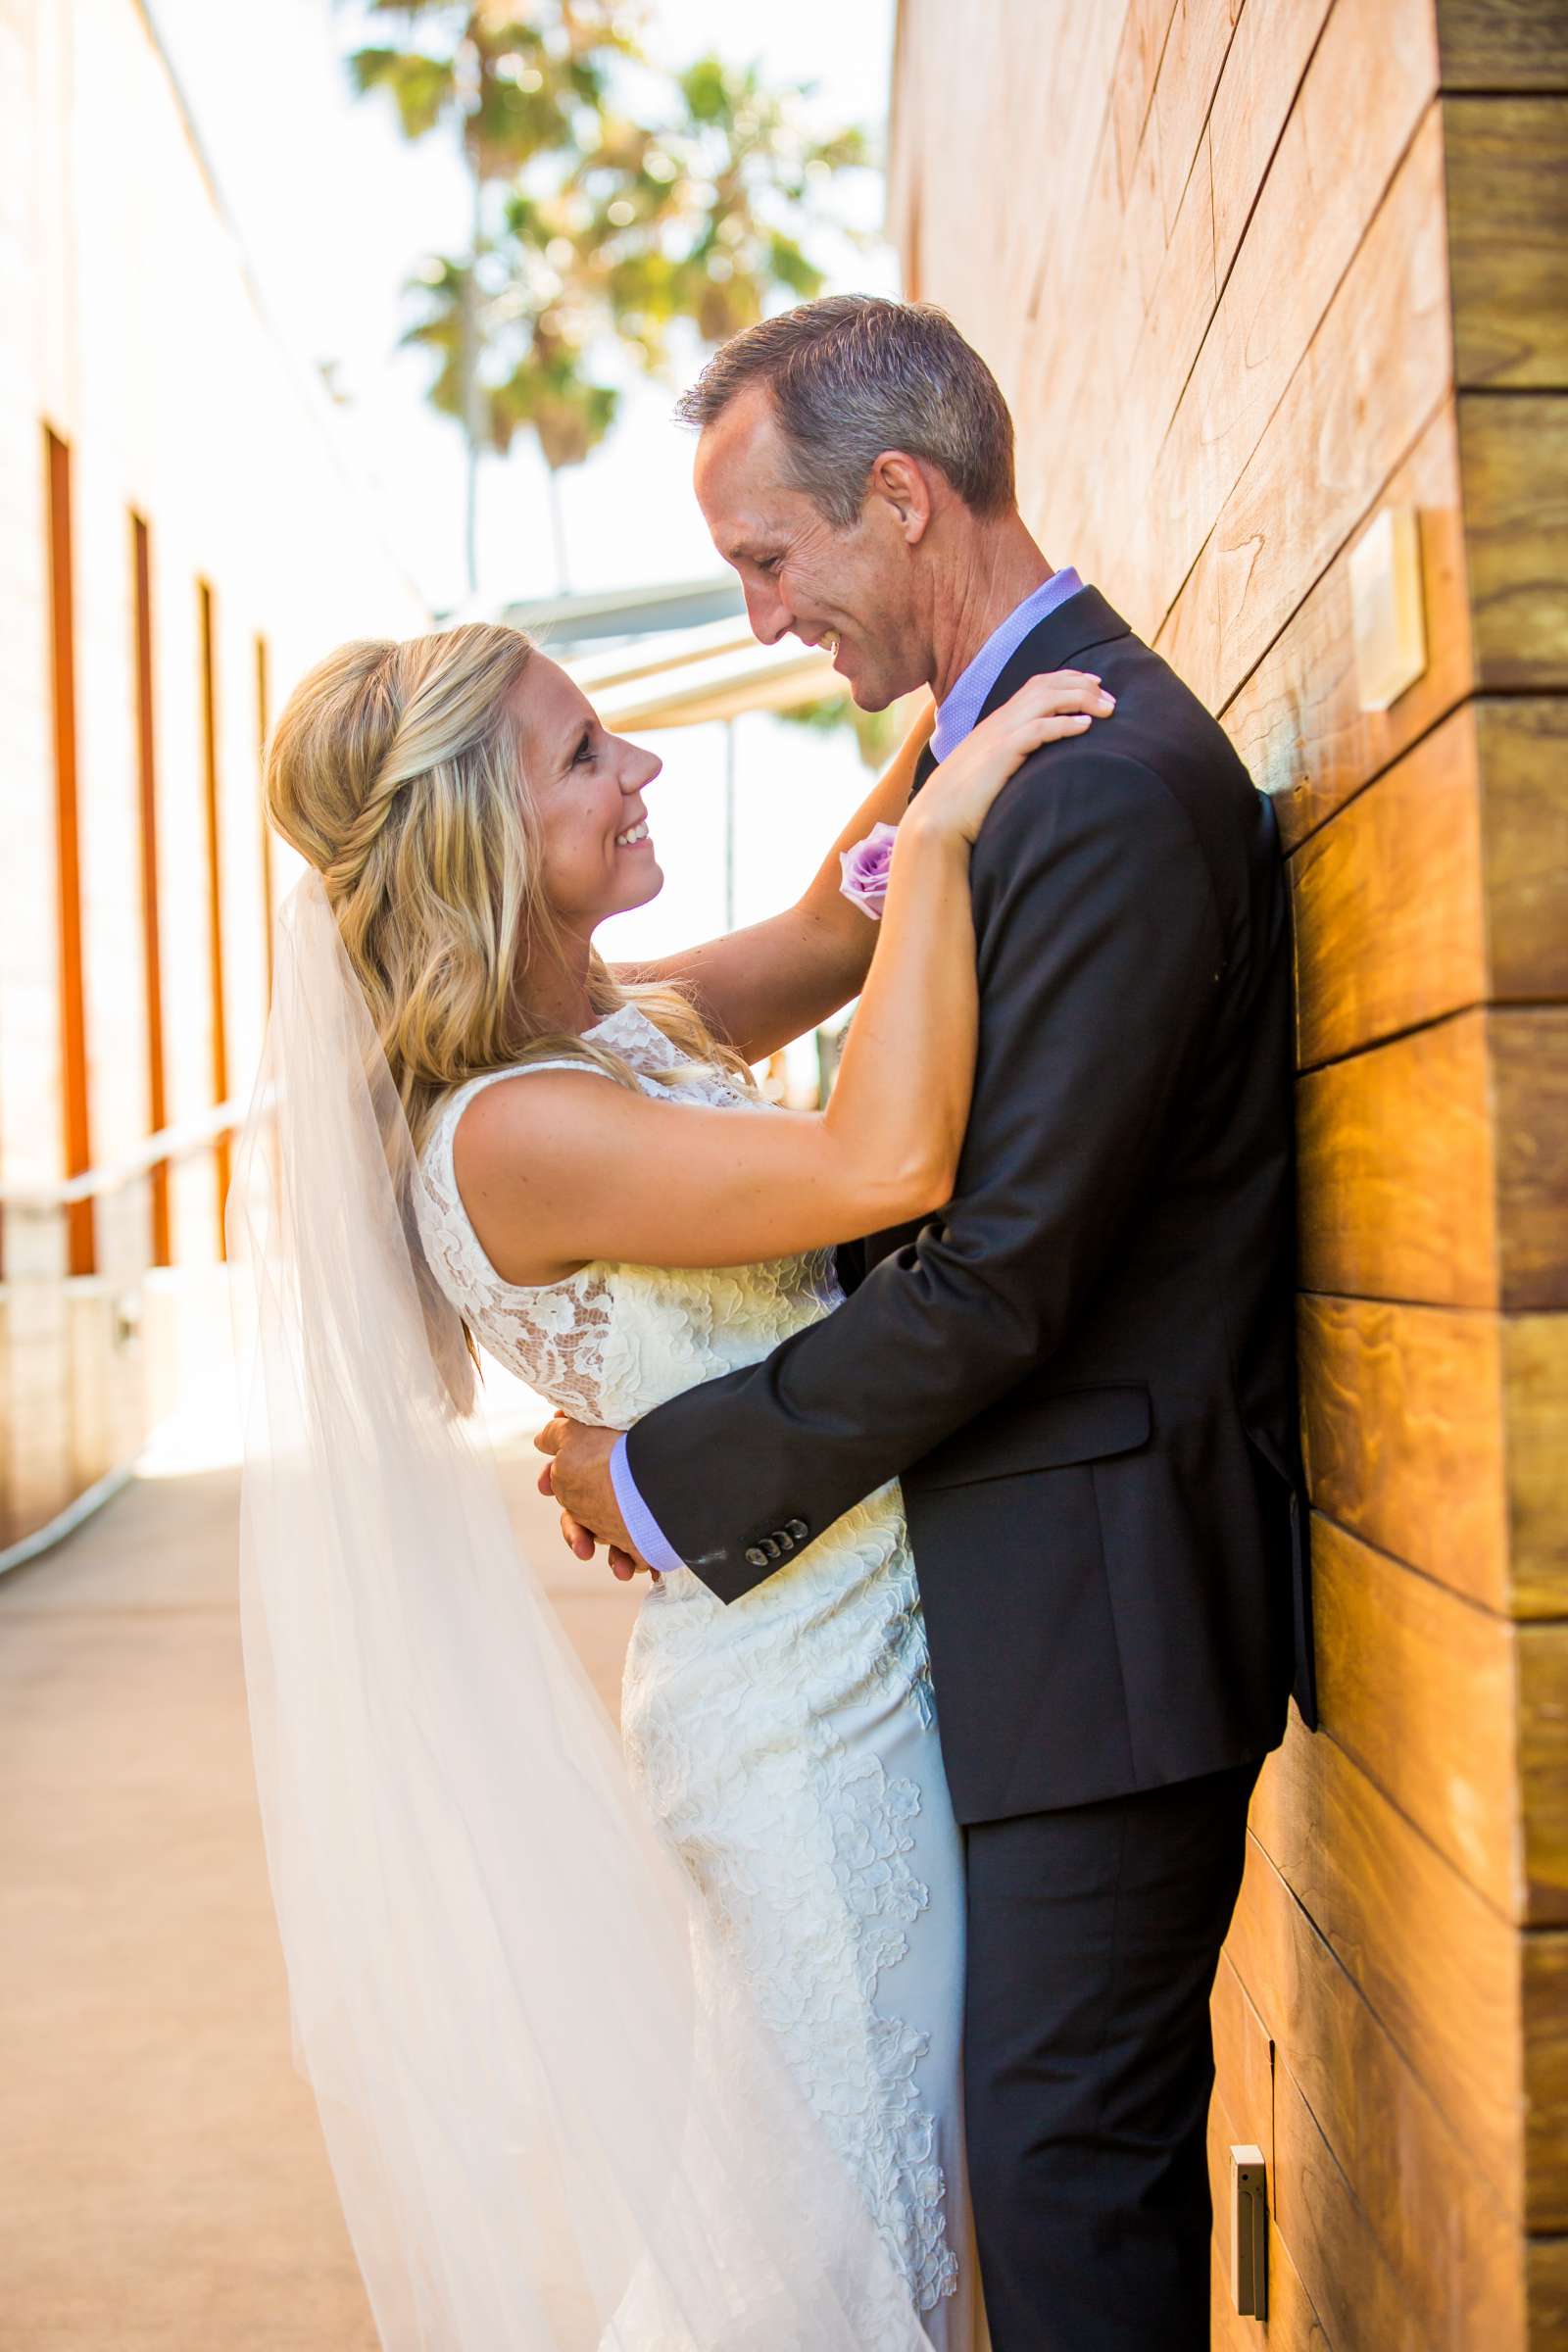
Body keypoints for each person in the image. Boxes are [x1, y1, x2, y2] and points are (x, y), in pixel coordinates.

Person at [541, 294, 1316, 2352]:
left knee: (1062, 2194)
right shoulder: (986, 755)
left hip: (1102, 1624)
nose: (764, 611)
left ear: (897, 499)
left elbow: (1005, 1273)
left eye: (767, 559)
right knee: (1020, 2177)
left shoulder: (1099, 779)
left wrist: (657, 1468)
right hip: (1006, 1616)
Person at [240, 606, 1110, 2349]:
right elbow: (889, 1156)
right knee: (854, 2252)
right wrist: (946, 833)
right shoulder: (512, 1129)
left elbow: (820, 926)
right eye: (585, 757)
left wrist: (976, 660)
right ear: (487, 838)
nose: (640, 771)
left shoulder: (623, 1025)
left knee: (860, 2218)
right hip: (807, 1736)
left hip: (857, 1650)